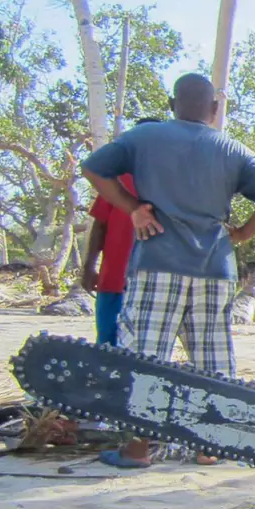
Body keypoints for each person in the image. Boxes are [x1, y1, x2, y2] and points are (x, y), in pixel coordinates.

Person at [81, 73, 255, 468]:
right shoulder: (232, 148)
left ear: (172, 103)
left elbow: (93, 169)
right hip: (215, 267)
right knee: (212, 357)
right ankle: (208, 446)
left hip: (158, 261)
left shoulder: (144, 138)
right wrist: (242, 232)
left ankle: (138, 449)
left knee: (145, 355)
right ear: (214, 109)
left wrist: (132, 208)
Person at [81, 121, 160, 344]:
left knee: (147, 350)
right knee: (107, 345)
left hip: (155, 285)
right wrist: (88, 267)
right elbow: (100, 225)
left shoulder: (172, 182)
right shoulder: (114, 180)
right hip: (113, 280)